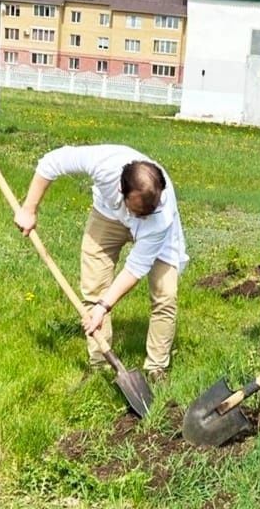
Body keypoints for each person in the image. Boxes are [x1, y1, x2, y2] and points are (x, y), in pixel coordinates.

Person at [14, 144, 188, 382]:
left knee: (165, 293)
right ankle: (101, 366)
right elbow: (51, 163)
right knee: (94, 287)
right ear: (120, 190)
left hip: (156, 232)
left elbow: (136, 268)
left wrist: (105, 306)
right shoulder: (103, 163)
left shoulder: (159, 215)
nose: (143, 216)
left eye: (148, 210)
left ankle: (156, 368)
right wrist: (29, 209)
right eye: (138, 211)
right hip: (108, 216)